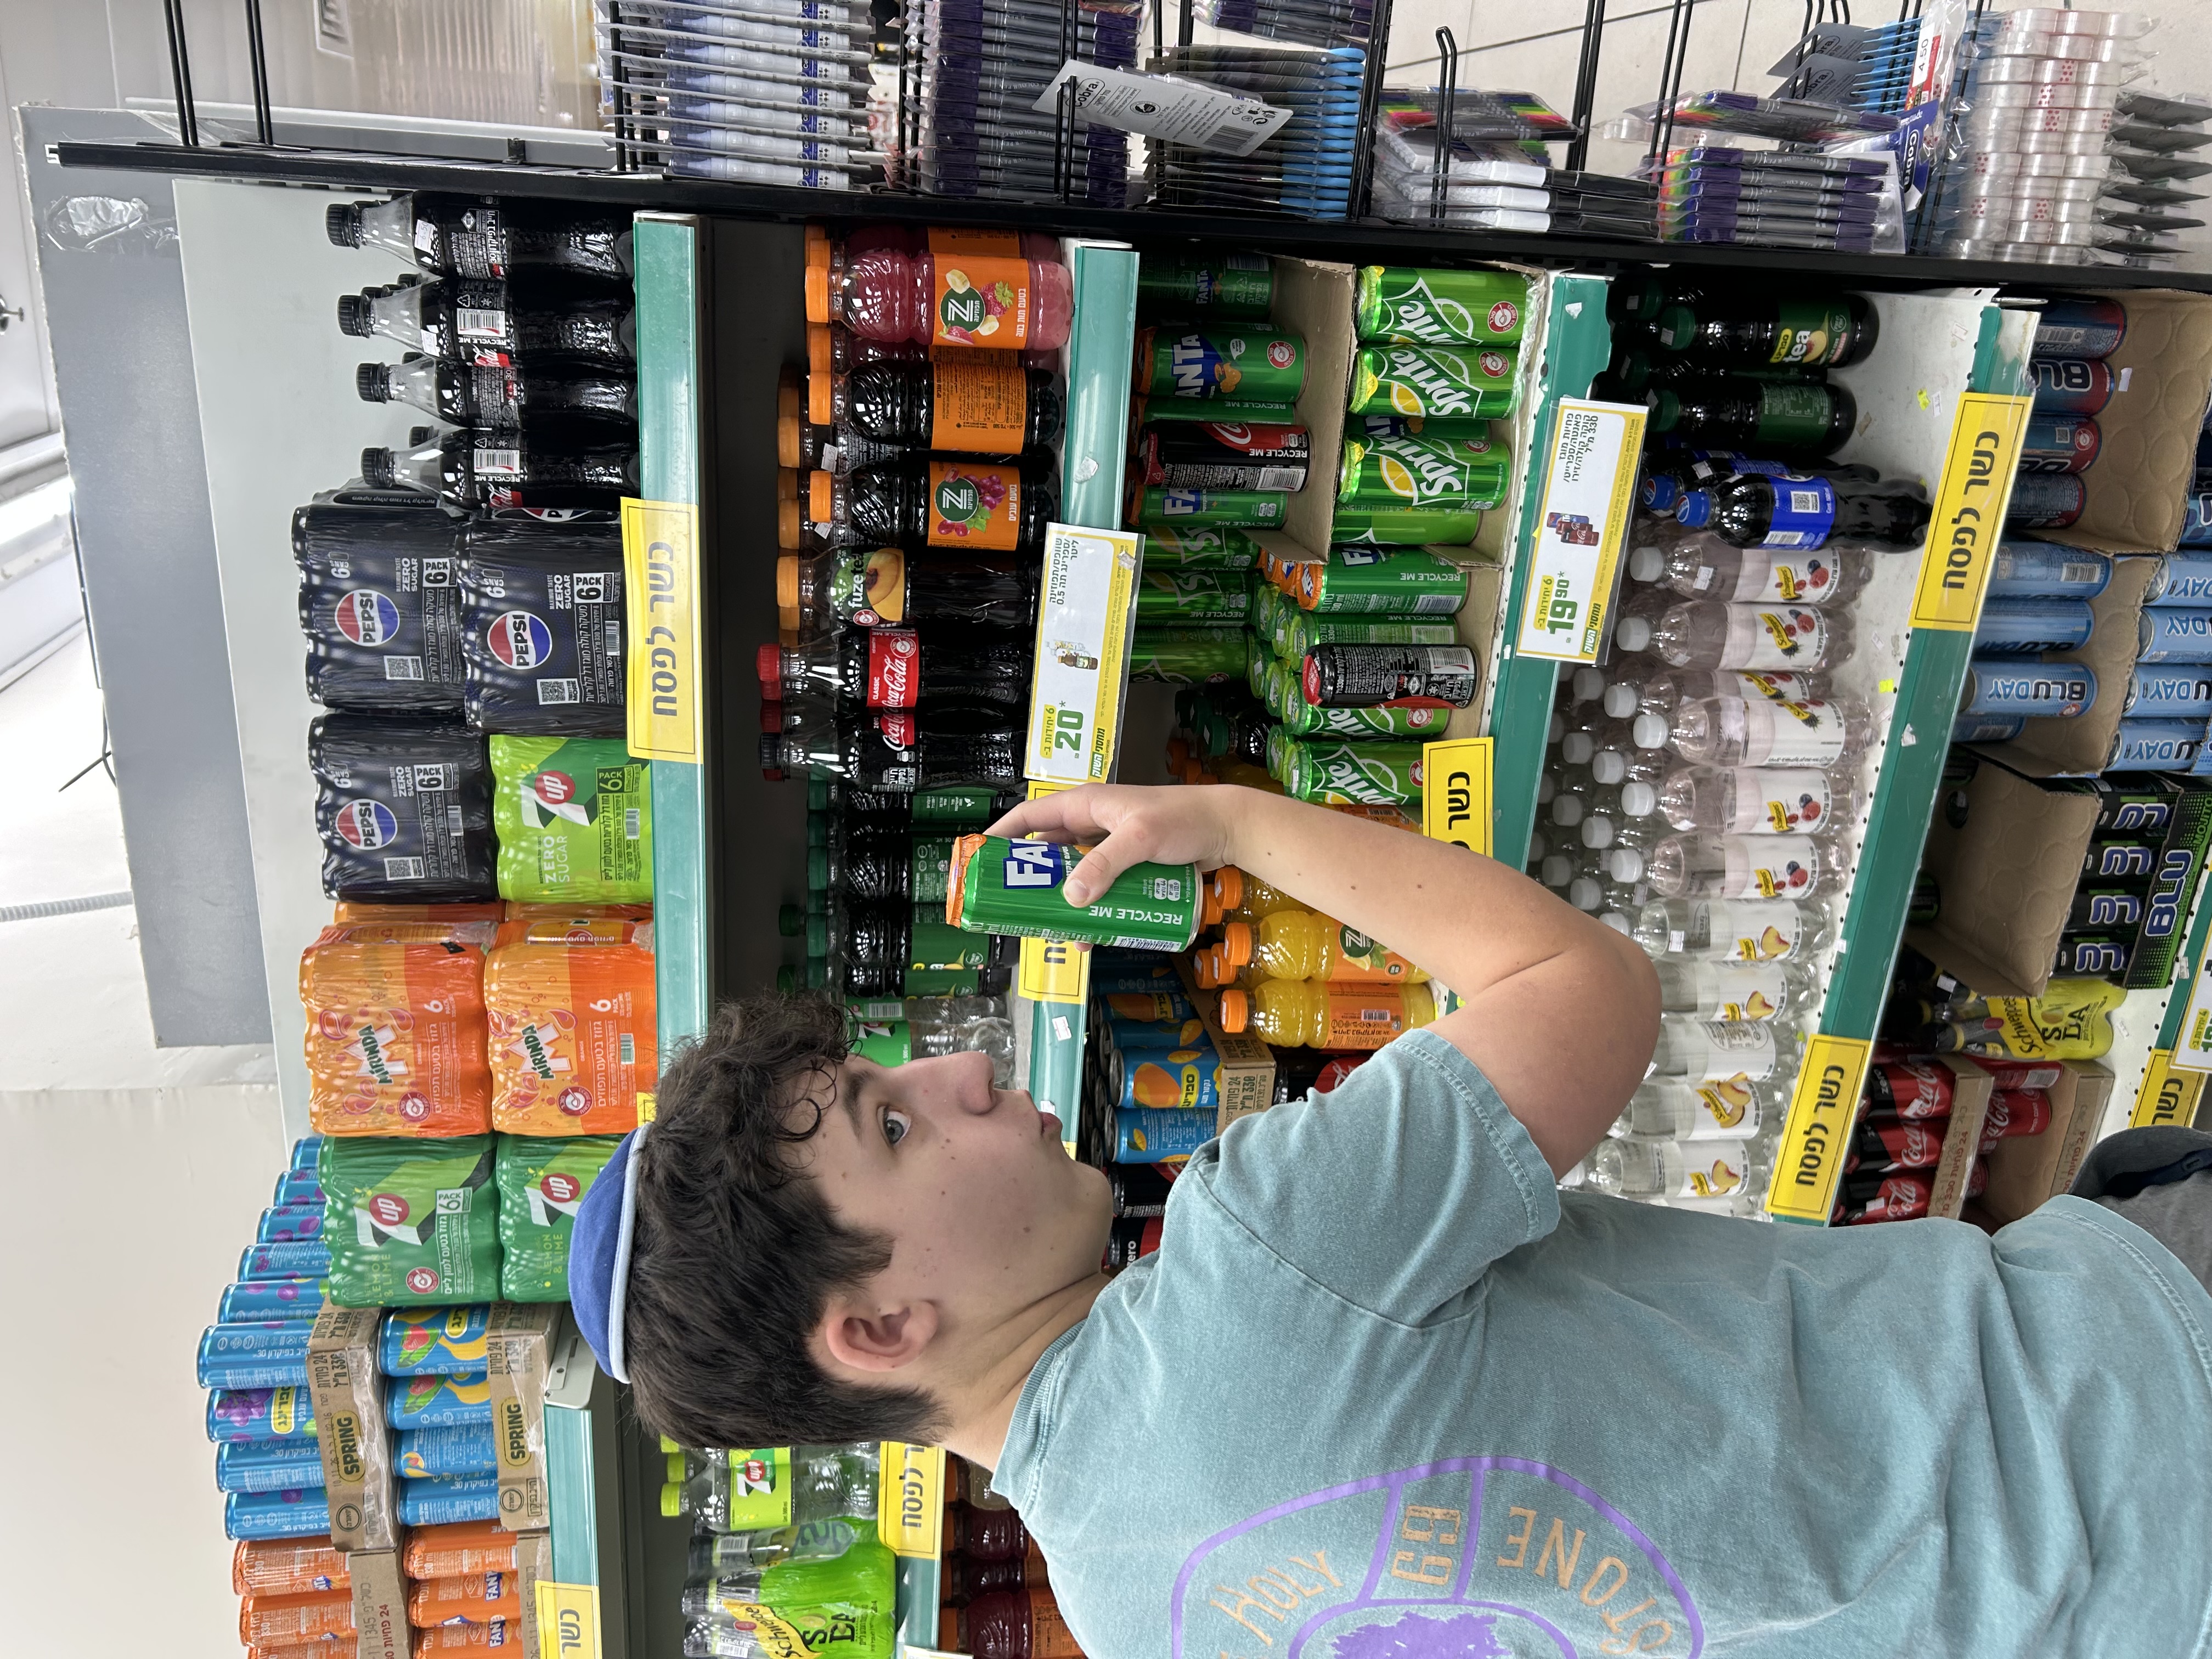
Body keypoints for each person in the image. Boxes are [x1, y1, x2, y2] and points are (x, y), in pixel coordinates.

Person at [568, 784, 2212, 1657]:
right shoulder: (1257, 1268)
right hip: (2122, 1405)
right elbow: (1587, 988)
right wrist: (1228, 825)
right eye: (895, 1121)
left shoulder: (1141, 1617)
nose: (958, 1066)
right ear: (873, 1330)